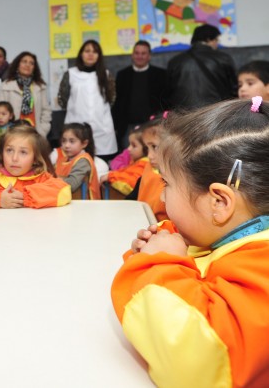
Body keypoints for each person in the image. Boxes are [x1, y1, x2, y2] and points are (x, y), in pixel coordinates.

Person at [111, 97, 269, 387]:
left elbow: (200, 365)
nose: (160, 197)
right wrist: (167, 249)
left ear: (219, 202)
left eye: (167, 184)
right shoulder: (234, 239)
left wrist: (160, 264)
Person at [0, 124, 71, 209]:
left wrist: (24, 197)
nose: (14, 158)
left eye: (23, 152)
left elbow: (63, 190)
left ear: (35, 158)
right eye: (9, 150)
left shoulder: (41, 178)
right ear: (1, 154)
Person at [58, 40, 117, 159]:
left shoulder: (106, 74)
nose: (91, 54)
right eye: (87, 51)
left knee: (102, 166)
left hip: (102, 129)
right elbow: (62, 100)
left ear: (99, 56)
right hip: (76, 128)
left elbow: (112, 99)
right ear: (81, 54)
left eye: (95, 52)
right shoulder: (70, 74)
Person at [166, 24, 237, 110]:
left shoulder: (175, 61)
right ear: (208, 39)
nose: (217, 44)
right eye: (216, 40)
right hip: (214, 112)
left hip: (184, 114)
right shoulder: (223, 58)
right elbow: (234, 87)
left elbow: (168, 91)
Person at [112, 40, 167, 148]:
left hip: (152, 125)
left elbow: (166, 100)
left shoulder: (160, 75)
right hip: (128, 127)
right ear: (132, 55)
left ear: (149, 56)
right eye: (137, 53)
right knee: (128, 157)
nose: (139, 56)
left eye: (143, 53)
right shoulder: (123, 75)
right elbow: (118, 102)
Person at [0, 51, 52, 139]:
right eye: (24, 61)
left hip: (36, 134)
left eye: (31, 63)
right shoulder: (6, 86)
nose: (27, 65)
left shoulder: (40, 87)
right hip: (12, 134)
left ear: (34, 68)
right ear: (17, 65)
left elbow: (46, 111)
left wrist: (43, 130)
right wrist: (5, 131)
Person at [126, 116, 167, 221]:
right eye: (147, 148)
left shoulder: (181, 182)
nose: (149, 155)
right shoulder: (148, 170)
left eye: (155, 147)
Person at [51, 122, 101, 199]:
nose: (66, 145)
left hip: (86, 207)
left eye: (72, 141)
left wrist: (50, 180)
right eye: (64, 141)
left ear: (84, 143)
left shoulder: (83, 161)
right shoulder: (62, 159)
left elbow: (71, 185)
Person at [100, 127, 148, 195]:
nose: (128, 148)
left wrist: (110, 176)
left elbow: (130, 184)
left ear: (146, 149)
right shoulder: (136, 161)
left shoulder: (144, 164)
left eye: (134, 146)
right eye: (129, 144)